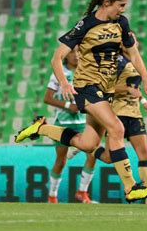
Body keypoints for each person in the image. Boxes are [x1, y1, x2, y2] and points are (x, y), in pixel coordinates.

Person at [15, 0, 147, 203]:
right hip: (87, 87)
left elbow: (134, 53)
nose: (123, 9)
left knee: (87, 144)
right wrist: (64, 83)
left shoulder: (121, 23)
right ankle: (131, 188)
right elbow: (57, 57)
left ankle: (42, 128)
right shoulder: (85, 25)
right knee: (117, 127)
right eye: (120, 5)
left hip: (106, 90)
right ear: (106, 2)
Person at [93, 49, 147, 205]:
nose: (134, 42)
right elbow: (104, 87)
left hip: (135, 114)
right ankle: (90, 148)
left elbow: (134, 87)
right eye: (131, 39)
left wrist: (144, 103)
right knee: (108, 158)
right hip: (117, 113)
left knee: (144, 153)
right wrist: (127, 89)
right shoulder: (115, 61)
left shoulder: (136, 62)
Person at [44, 47, 96, 204]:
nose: (75, 55)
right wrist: (68, 106)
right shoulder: (59, 74)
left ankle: (82, 192)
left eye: (78, 52)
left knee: (92, 155)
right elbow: (48, 98)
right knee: (61, 161)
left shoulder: (87, 72)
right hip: (64, 123)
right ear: (66, 56)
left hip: (83, 123)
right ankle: (52, 196)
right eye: (72, 52)